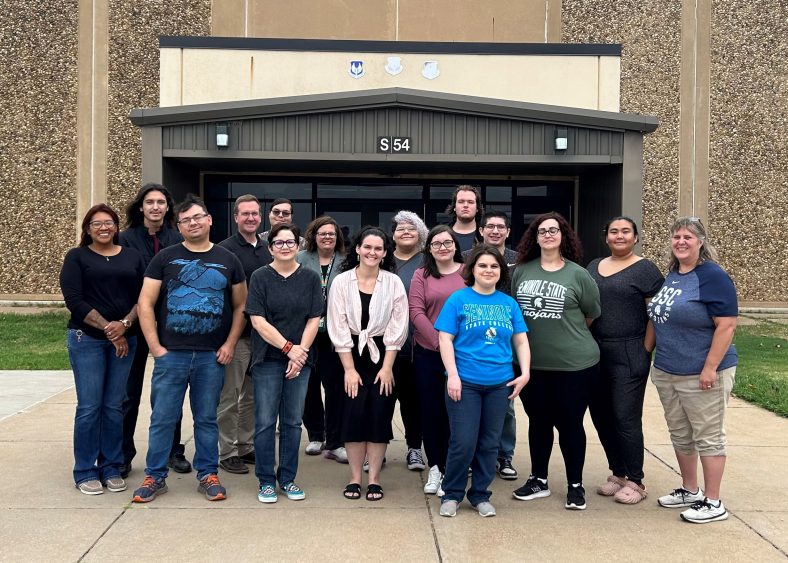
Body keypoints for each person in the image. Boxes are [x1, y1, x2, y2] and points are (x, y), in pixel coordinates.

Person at [132, 194, 246, 503]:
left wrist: (229, 343)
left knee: (206, 418)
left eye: (198, 217)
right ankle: (154, 476)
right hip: (172, 354)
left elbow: (240, 307)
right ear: (179, 226)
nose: (193, 223)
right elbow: (146, 302)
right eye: (186, 220)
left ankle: (208, 475)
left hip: (211, 356)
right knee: (163, 418)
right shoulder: (165, 258)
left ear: (209, 220)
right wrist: (156, 347)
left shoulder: (228, 260)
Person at [648, 217, 738, 524]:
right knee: (680, 433)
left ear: (701, 241)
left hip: (701, 372)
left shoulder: (712, 276)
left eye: (688, 236)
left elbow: (726, 325)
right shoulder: (674, 274)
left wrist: (710, 368)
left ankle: (713, 502)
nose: (681, 242)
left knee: (708, 436)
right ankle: (690, 489)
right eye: (676, 237)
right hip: (668, 370)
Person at [510, 212, 601, 511]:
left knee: (571, 424)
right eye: (542, 231)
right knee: (538, 423)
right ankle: (539, 479)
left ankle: (575, 485)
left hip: (574, 366)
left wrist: (564, 338)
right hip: (532, 367)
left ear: (564, 236)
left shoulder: (578, 274)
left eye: (554, 230)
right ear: (534, 238)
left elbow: (591, 314)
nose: (548, 234)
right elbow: (515, 316)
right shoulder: (522, 271)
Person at [435, 244, 531, 517]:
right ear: (471, 270)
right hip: (464, 382)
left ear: (501, 271)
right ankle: (452, 494)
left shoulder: (508, 303)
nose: (488, 270)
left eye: (494, 266)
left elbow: (521, 340)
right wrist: (452, 375)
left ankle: (480, 495)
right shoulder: (458, 299)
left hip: (499, 384)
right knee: (463, 441)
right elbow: (445, 339)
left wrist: (524, 372)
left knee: (490, 443)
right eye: (482, 265)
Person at [60, 204, 145, 495]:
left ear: (116, 227)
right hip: (87, 340)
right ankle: (84, 470)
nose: (103, 228)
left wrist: (125, 324)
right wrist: (111, 329)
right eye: (96, 223)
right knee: (89, 407)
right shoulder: (77, 257)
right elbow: (74, 299)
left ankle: (111, 466)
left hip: (126, 340)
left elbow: (142, 297)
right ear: (87, 229)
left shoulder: (132, 257)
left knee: (113, 405)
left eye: (109, 223)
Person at [327, 226, 409, 501]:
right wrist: (349, 370)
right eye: (368, 247)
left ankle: (373, 478)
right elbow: (337, 326)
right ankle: (354, 478)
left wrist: (387, 368)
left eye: (378, 248)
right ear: (358, 249)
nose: (372, 252)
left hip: (384, 356)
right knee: (352, 416)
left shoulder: (393, 282)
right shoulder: (341, 281)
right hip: (348, 356)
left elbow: (398, 326)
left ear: (385, 253)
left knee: (378, 415)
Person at [587, 217, 664, 504]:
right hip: (596, 352)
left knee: (625, 416)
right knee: (601, 416)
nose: (619, 236)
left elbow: (656, 315)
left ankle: (636, 480)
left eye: (625, 231)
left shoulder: (645, 269)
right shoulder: (593, 267)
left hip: (630, 351)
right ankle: (618, 473)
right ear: (606, 237)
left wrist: (644, 350)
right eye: (614, 231)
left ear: (635, 237)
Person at [246, 224, 323, 503]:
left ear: (299, 246)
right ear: (270, 248)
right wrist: (289, 348)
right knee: (266, 421)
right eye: (279, 243)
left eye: (290, 242)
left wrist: (300, 352)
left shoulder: (311, 278)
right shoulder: (259, 277)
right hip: (268, 359)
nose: (285, 247)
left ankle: (287, 479)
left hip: (301, 360)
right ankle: (266, 480)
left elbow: (315, 318)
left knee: (292, 422)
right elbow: (257, 320)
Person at [119, 183, 189, 477]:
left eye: (161, 202)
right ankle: (122, 453)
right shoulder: (125, 239)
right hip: (134, 323)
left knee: (169, 392)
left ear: (167, 208)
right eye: (150, 202)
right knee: (128, 393)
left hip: (171, 324)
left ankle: (173, 450)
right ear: (141, 207)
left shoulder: (178, 238)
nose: (156, 207)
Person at [215, 195, 272, 475]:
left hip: (263, 338)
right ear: (236, 217)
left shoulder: (267, 249)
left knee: (252, 397)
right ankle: (227, 451)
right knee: (230, 396)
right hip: (237, 337)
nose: (251, 218)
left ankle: (246, 445)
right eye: (245, 214)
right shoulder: (225, 250)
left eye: (255, 214)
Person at [409, 225, 466, 495]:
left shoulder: (468, 273)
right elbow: (416, 311)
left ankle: (455, 468)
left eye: (447, 243)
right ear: (429, 248)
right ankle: (436, 468)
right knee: (431, 413)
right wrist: (439, 343)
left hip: (465, 355)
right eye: (436, 244)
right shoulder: (422, 275)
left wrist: (455, 347)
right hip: (428, 354)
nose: (442, 248)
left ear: (456, 245)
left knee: (458, 414)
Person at [463, 210, 518, 480]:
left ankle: (504, 455)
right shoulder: (468, 259)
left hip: (505, 343)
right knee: (470, 412)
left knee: (505, 406)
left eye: (501, 227)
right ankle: (473, 457)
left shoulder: (518, 261)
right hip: (473, 344)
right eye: (490, 227)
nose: (495, 231)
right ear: (481, 231)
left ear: (508, 231)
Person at [297, 216, 349, 464]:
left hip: (335, 334)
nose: (327, 237)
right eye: (322, 233)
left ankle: (335, 440)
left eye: (331, 233)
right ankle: (316, 435)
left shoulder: (347, 261)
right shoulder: (301, 259)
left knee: (335, 387)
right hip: (306, 333)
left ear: (337, 237)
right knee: (309, 387)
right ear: (313, 236)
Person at [391, 210, 428, 472]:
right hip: (383, 345)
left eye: (411, 228)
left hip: (417, 344)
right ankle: (376, 448)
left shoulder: (428, 261)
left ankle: (414, 448)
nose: (406, 232)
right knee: (380, 399)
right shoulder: (381, 258)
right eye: (401, 228)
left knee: (412, 401)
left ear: (421, 233)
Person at [446, 185, 483, 252]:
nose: (465, 205)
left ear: (477, 208)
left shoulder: (486, 235)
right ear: (454, 207)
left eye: (470, 202)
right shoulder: (441, 234)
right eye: (461, 202)